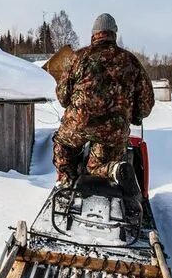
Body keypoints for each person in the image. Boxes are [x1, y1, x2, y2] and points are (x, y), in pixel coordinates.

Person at [52, 13, 155, 197]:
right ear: (113, 34)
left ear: (94, 34)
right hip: (113, 132)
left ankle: (69, 184)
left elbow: (62, 97)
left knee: (63, 148)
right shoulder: (131, 61)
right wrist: (136, 116)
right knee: (96, 167)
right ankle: (114, 170)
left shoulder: (78, 57)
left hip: (78, 125)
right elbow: (146, 103)